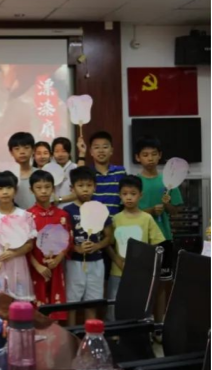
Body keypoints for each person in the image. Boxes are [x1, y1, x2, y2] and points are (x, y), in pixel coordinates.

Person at [134, 136, 185, 328]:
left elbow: (175, 211)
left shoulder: (169, 181)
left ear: (160, 156)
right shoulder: (135, 182)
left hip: (164, 238)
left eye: (154, 154)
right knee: (142, 283)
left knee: (162, 284)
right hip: (141, 239)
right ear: (138, 157)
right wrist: (151, 211)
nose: (150, 158)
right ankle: (143, 324)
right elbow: (130, 211)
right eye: (145, 155)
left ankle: (159, 325)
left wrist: (167, 205)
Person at [109, 175, 165, 321]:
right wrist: (117, 261)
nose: (129, 197)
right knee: (115, 307)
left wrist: (144, 263)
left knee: (139, 307)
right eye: (125, 194)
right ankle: (117, 333)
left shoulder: (146, 218)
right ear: (120, 195)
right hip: (118, 271)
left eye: (133, 194)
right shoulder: (115, 219)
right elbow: (108, 244)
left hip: (141, 273)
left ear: (141, 195)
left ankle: (140, 332)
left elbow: (157, 243)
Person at [65, 167, 114, 324]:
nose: (85, 189)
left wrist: (97, 246)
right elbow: (63, 240)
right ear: (72, 188)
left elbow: (109, 237)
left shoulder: (100, 209)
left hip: (96, 262)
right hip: (74, 262)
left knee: (92, 301)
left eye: (89, 185)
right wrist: (76, 248)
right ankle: (71, 333)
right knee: (72, 301)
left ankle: (91, 333)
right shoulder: (67, 211)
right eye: (80, 185)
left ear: (95, 187)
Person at [0, 171, 37, 301]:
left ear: (15, 190)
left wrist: (14, 253)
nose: (5, 192)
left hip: (17, 264)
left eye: (9, 188)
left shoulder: (24, 215)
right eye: (0, 188)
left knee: (17, 303)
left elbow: (29, 245)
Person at [27, 170, 71, 322]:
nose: (43, 191)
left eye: (47, 187)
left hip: (56, 268)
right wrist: (37, 266)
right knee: (36, 309)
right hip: (35, 269)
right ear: (31, 190)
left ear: (53, 188)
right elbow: (25, 246)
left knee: (55, 307)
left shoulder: (62, 215)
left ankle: (55, 334)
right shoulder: (27, 216)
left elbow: (68, 240)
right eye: (38, 187)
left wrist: (58, 258)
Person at [77, 131, 127, 216]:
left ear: (111, 150)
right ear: (91, 152)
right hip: (92, 220)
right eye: (96, 147)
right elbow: (78, 179)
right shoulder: (88, 173)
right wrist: (82, 153)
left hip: (115, 220)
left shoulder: (120, 172)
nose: (101, 151)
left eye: (105, 147)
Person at [7, 132, 37, 210]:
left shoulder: (39, 174)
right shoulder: (7, 176)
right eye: (17, 149)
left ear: (33, 150)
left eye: (26, 147)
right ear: (11, 152)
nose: (22, 152)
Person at [52, 137, 77, 208]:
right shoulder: (49, 169)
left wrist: (59, 199)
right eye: (56, 151)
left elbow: (79, 193)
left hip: (71, 209)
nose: (60, 154)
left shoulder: (75, 168)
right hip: (54, 210)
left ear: (69, 153)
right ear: (53, 153)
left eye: (64, 151)